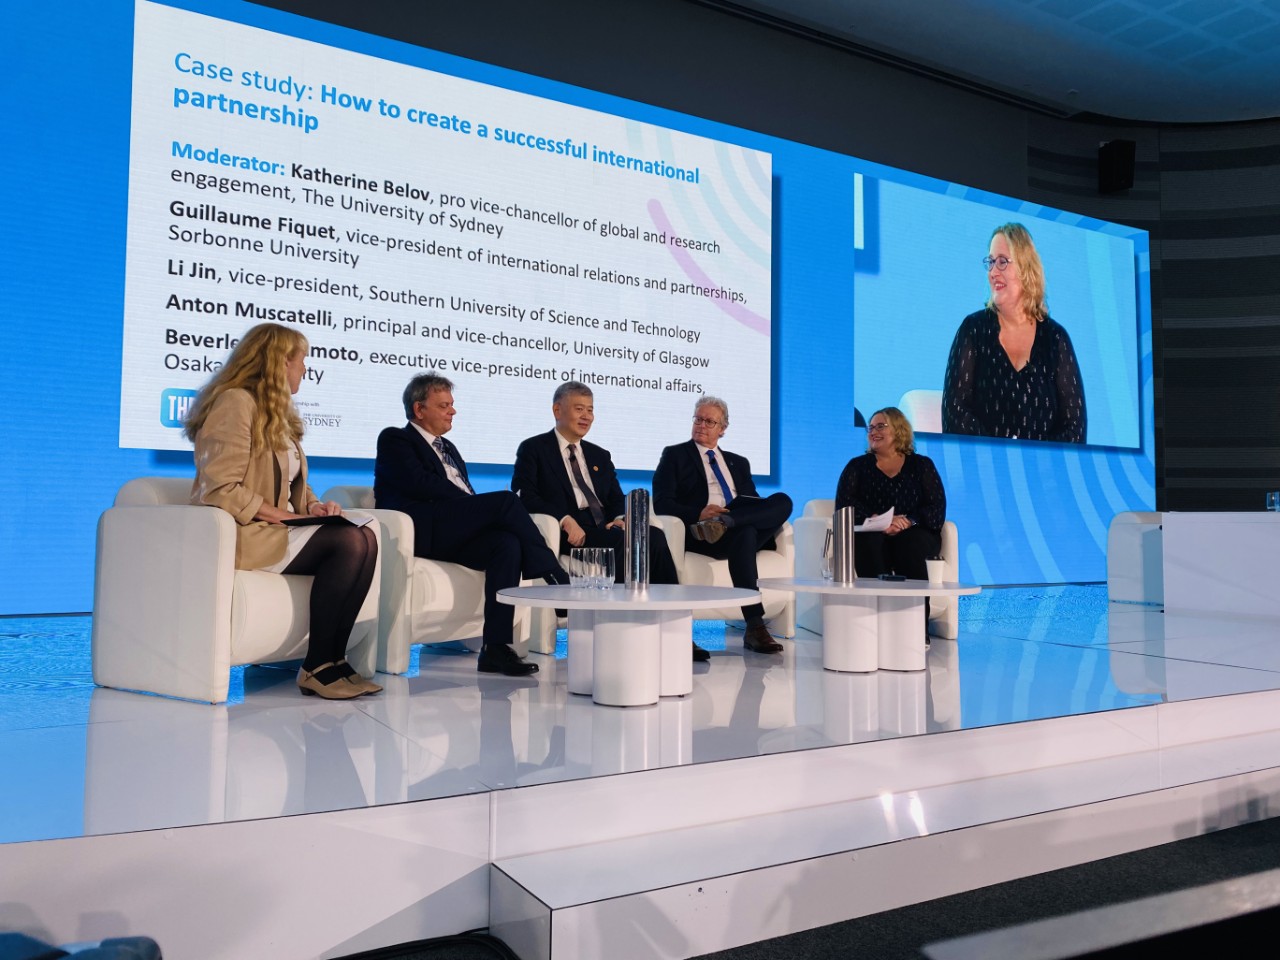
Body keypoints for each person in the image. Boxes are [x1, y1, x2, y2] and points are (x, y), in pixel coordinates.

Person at [184, 323, 380, 700]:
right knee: (349, 541)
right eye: (301, 360)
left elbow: (294, 484)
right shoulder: (235, 403)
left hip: (274, 528)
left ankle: (335, 661)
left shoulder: (277, 413)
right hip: (245, 533)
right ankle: (317, 665)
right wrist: (281, 515)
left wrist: (313, 506)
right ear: (278, 362)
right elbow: (220, 488)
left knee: (366, 534)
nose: (305, 369)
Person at [373, 373, 568, 677]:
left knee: (507, 544)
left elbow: (462, 492)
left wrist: (474, 509)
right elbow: (421, 483)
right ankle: (555, 575)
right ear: (419, 409)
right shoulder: (396, 438)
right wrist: (473, 506)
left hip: (452, 527)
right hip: (419, 528)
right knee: (505, 501)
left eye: (452, 404)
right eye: (444, 405)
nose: (453, 411)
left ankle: (495, 648)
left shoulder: (448, 447)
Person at [512, 382, 708, 662]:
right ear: (557, 409)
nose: (587, 416)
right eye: (579, 409)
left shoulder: (599, 455)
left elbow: (616, 497)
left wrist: (621, 517)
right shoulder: (534, 449)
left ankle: (675, 629)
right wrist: (564, 519)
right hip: (569, 534)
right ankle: (622, 631)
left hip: (604, 528)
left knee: (652, 535)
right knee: (625, 545)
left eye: (590, 410)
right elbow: (524, 494)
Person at [653, 395, 793, 654]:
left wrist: (733, 517)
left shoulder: (738, 462)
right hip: (705, 533)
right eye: (698, 419)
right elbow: (662, 504)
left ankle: (729, 520)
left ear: (723, 428)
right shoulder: (674, 455)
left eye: (709, 421)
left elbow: (753, 501)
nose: (701, 425)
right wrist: (701, 512)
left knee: (783, 501)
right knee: (747, 532)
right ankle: (754, 625)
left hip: (734, 522)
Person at [942, 222, 1087, 443]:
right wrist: (1001, 455)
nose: (992, 272)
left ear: (1026, 268)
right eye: (990, 262)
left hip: (1043, 474)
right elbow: (954, 413)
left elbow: (1074, 427)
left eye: (1002, 262)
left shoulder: (1056, 338)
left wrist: (1037, 461)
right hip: (984, 467)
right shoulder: (973, 330)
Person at [835, 406, 946, 588]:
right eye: (870, 428)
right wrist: (876, 519)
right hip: (873, 530)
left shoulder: (922, 465)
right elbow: (844, 504)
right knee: (870, 542)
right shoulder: (857, 467)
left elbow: (936, 506)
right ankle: (874, 609)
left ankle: (915, 613)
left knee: (912, 542)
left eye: (880, 426)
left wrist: (909, 521)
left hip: (914, 531)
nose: (873, 432)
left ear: (898, 429)